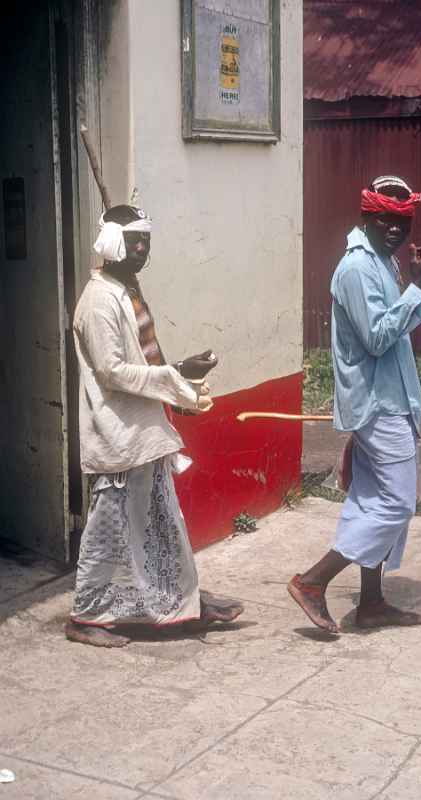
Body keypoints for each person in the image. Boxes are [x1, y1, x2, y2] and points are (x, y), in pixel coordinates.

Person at [65, 204, 243, 647]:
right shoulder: (98, 302)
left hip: (145, 434)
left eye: (147, 240)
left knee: (163, 523)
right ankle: (85, 617)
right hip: (119, 436)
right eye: (134, 241)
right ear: (110, 243)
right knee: (109, 528)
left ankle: (184, 599)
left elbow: (143, 357)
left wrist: (177, 370)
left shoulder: (125, 290)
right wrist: (173, 376)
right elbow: (112, 373)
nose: (143, 249)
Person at [288, 175, 421, 634]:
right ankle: (314, 581)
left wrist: (409, 285)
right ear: (366, 217)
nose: (395, 228)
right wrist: (419, 287)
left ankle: (371, 602)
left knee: (371, 499)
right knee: (397, 504)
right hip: (379, 406)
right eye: (384, 219)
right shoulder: (355, 268)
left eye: (402, 220)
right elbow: (376, 339)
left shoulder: (382, 261)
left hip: (388, 401)